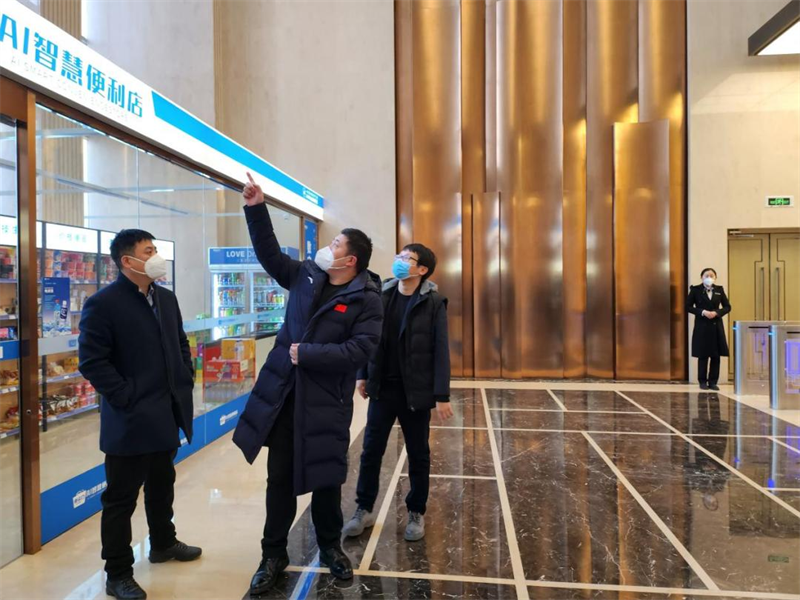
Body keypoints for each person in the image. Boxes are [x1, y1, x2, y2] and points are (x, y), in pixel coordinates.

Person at [233, 173, 383, 595]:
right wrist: (256, 208)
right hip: (283, 398)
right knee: (279, 479)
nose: (328, 248)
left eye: (336, 244)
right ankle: (272, 554)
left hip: (325, 403)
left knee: (326, 480)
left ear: (351, 261)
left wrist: (309, 353)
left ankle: (331, 548)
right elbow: (268, 254)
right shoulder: (305, 276)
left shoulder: (367, 299)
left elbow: (362, 349)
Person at [78, 230, 201, 600]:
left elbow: (180, 342)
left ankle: (163, 542)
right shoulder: (103, 304)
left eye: (156, 249)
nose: (156, 256)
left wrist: (185, 374)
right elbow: (92, 361)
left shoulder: (165, 298)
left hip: (166, 413)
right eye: (149, 251)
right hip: (129, 419)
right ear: (127, 261)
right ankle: (117, 573)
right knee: (120, 499)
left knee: (163, 485)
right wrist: (126, 396)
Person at [343, 243, 452, 542]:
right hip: (383, 388)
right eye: (400, 256)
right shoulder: (381, 296)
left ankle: (416, 511)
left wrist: (441, 395)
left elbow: (441, 351)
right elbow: (367, 338)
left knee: (418, 454)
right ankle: (364, 508)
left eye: (407, 258)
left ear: (422, 269)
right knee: (371, 451)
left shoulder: (434, 302)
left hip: (415, 393)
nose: (400, 261)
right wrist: (362, 375)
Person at [687, 268, 732, 391]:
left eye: (712, 276)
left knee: (715, 355)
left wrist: (717, 313)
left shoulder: (719, 290)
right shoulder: (695, 290)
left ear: (715, 277)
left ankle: (713, 382)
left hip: (716, 325)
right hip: (702, 325)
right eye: (706, 275)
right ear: (701, 277)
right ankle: (702, 381)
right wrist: (702, 312)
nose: (709, 278)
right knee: (703, 354)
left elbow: (727, 307)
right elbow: (688, 306)